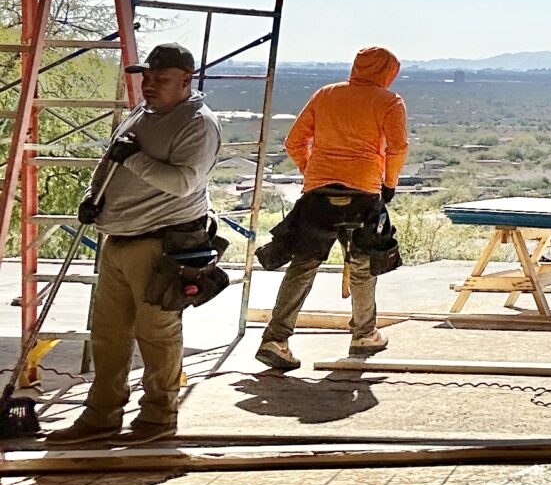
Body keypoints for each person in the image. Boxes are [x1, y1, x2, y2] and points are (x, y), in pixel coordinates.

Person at [53, 43, 222, 444]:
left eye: (160, 79)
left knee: (156, 333)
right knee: (108, 334)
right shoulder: (143, 112)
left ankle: (157, 418)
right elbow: (113, 159)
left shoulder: (197, 122)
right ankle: (101, 416)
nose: (149, 85)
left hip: (161, 242)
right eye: (145, 77)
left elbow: (182, 183)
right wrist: (93, 197)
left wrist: (133, 161)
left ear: (186, 80)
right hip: (119, 238)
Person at [255, 47, 408, 371]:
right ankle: (364, 334)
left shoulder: (326, 95)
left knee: (304, 264)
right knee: (363, 264)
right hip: (363, 192)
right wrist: (389, 183)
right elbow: (397, 147)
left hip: (318, 195)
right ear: (387, 71)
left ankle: (275, 340)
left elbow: (294, 141)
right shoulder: (389, 102)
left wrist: (314, 171)